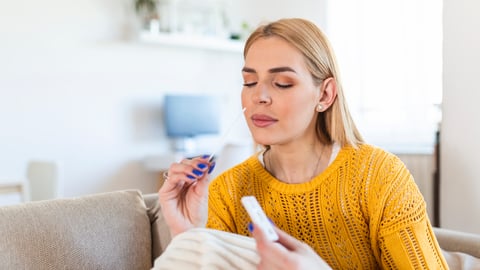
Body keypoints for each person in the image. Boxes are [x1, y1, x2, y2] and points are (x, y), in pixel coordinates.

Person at [158, 18, 447, 269]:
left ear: (325, 95)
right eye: (249, 82)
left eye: (282, 83)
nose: (259, 96)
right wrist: (188, 237)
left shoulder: (380, 177)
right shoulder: (227, 191)